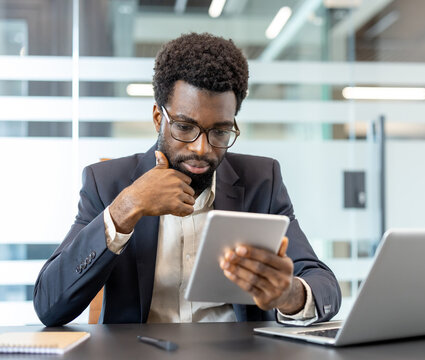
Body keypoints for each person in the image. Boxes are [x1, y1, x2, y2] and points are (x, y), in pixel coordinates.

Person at [33, 33, 341, 327]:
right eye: (184, 127)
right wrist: (127, 207)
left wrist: (288, 295)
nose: (201, 148)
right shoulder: (107, 183)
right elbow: (49, 305)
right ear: (158, 118)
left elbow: (324, 285)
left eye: (220, 132)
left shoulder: (261, 181)